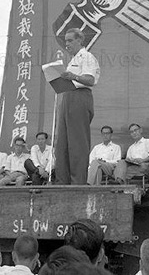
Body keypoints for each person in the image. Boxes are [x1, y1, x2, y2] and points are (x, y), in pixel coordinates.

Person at [56, 28, 101, 185]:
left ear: (79, 40)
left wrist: (73, 76)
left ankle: (78, 183)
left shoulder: (87, 57)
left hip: (80, 97)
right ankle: (62, 182)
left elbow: (90, 80)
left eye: (70, 40)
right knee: (62, 144)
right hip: (67, 97)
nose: (66, 44)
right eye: (65, 41)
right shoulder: (72, 60)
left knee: (77, 144)